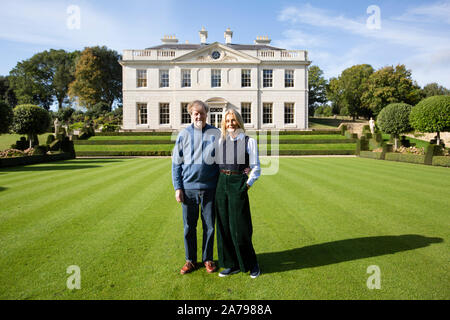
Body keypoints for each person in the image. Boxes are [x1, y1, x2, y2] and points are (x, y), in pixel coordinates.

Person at [172, 100, 220, 275]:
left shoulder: (215, 133)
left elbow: (224, 159)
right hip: (189, 189)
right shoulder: (183, 135)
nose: (199, 116)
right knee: (188, 227)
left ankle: (208, 259)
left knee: (209, 226)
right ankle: (190, 260)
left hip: (210, 188)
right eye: (195, 113)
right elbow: (176, 164)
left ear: (206, 114)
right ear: (190, 114)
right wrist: (178, 187)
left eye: (201, 113)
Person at [215, 109, 261, 278]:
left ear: (239, 122)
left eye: (233, 120)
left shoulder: (249, 141)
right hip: (221, 184)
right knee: (224, 227)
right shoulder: (221, 141)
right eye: (227, 121)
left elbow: (256, 167)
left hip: (237, 183)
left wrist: (246, 185)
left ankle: (251, 263)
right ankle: (231, 264)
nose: (230, 123)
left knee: (240, 227)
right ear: (224, 124)